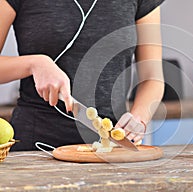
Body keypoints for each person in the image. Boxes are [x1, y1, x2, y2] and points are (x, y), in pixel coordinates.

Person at [0, 0, 165, 151]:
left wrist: (139, 117)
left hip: (111, 149)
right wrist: (34, 64)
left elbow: (152, 77)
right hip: (35, 148)